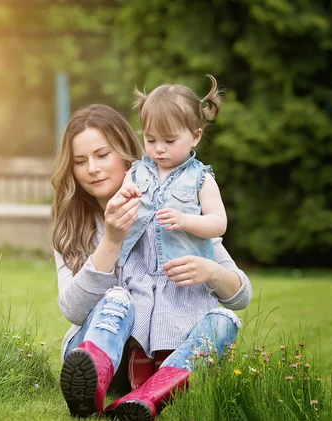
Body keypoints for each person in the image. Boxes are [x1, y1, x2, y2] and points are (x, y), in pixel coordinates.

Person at [51, 104, 252, 421]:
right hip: (103, 352)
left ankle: (149, 397)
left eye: (102, 154)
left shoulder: (172, 209)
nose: (92, 168)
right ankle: (91, 386)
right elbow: (74, 311)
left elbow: (240, 296)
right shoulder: (73, 228)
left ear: (125, 153)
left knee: (224, 321)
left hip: (162, 356)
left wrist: (211, 272)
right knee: (118, 298)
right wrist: (112, 239)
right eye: (80, 161)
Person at [117, 75, 230, 390]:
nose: (158, 149)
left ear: (195, 136)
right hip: (142, 273)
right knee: (141, 329)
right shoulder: (137, 171)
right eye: (151, 140)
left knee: (174, 329)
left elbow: (218, 222)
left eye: (169, 141)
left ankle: (167, 384)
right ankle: (138, 387)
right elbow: (122, 198)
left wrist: (185, 220)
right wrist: (124, 198)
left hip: (180, 275)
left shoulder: (201, 179)